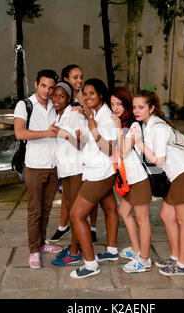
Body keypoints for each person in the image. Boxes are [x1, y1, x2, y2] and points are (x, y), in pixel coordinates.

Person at [131, 90, 184, 276]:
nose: (137, 110)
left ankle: (183, 265)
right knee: (167, 216)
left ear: (151, 108)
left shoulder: (157, 127)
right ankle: (175, 257)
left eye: (141, 107)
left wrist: (139, 142)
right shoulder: (149, 126)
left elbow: (159, 160)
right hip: (175, 176)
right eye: (134, 107)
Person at [69, 78, 119, 279]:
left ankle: (90, 265)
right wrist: (86, 115)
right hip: (98, 170)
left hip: (100, 173)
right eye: (85, 93)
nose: (87, 96)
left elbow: (108, 149)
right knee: (110, 208)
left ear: (101, 95)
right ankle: (112, 251)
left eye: (92, 93)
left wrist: (92, 126)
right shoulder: (96, 112)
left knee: (76, 215)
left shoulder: (106, 118)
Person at [13, 69, 63, 269]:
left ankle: (42, 244)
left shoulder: (54, 105)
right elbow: (19, 133)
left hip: (53, 167)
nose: (47, 90)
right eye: (44, 85)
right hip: (34, 166)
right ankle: (33, 251)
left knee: (47, 208)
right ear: (36, 84)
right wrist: (47, 133)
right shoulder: (25, 105)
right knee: (35, 211)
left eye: (51, 87)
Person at [48, 64, 98, 243]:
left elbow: (82, 137)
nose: (80, 81)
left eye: (81, 77)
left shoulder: (78, 106)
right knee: (69, 200)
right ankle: (69, 233)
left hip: (83, 160)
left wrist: (83, 109)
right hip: (67, 165)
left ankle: (84, 238)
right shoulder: (62, 108)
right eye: (75, 77)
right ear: (66, 79)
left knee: (82, 204)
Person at [110, 87, 153, 273]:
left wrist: (119, 129)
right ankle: (136, 249)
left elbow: (125, 150)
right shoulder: (120, 123)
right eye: (112, 104)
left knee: (142, 220)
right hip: (128, 180)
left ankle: (144, 259)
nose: (115, 108)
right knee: (123, 212)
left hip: (139, 181)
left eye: (119, 104)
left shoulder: (134, 126)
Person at [49, 81, 88, 266]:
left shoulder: (74, 114)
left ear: (69, 98)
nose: (57, 99)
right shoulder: (60, 115)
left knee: (75, 212)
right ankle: (76, 245)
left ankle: (74, 251)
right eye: (55, 95)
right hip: (65, 170)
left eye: (62, 96)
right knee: (73, 210)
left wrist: (65, 134)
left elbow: (81, 143)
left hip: (76, 169)